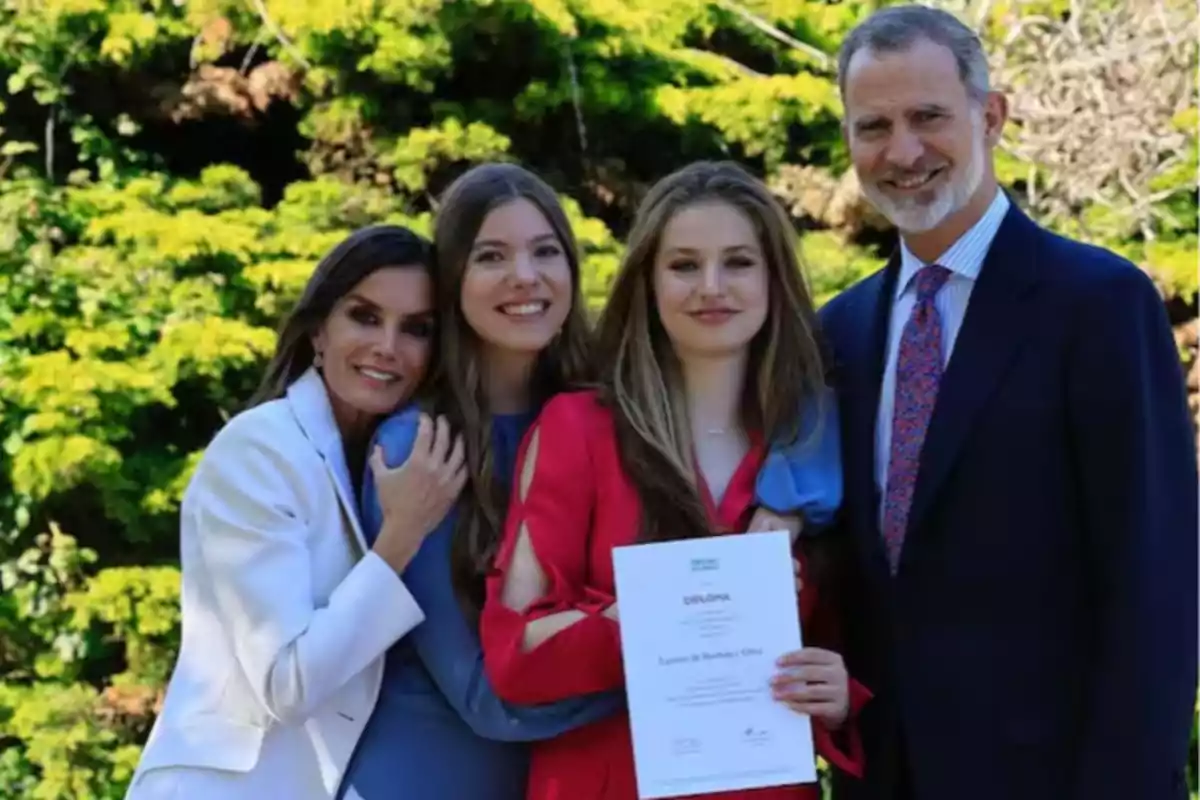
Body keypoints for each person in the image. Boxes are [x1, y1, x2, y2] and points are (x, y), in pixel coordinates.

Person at [338, 162, 855, 800]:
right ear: (648, 281)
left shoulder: (810, 452)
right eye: (684, 265)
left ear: (775, 278)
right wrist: (674, 620)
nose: (711, 288)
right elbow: (508, 665)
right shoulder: (571, 430)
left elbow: (847, 641)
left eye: (740, 263)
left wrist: (837, 694)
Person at [819, 6, 1199, 800]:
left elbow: (1154, 583)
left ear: (990, 116)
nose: (902, 151)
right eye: (873, 126)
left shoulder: (1099, 305)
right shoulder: (839, 333)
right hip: (887, 777)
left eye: (928, 117)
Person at [124, 226, 468, 800]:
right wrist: (403, 534)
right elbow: (285, 682)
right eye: (364, 316)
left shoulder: (388, 455)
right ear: (317, 332)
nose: (388, 345)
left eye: (416, 329)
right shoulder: (258, 450)